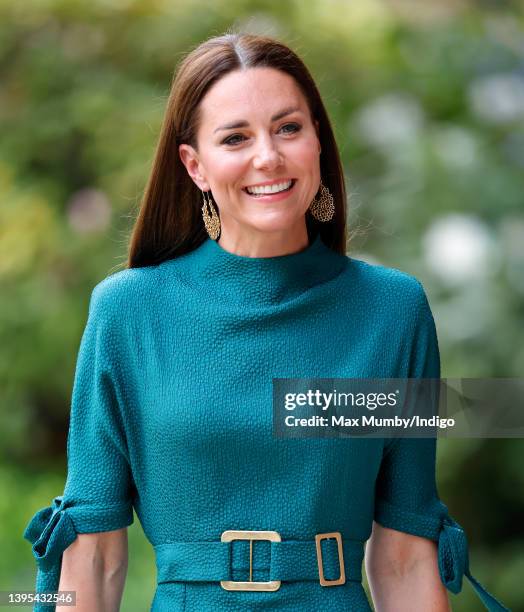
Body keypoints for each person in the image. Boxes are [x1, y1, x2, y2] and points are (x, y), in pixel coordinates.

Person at [23, 32, 509, 612]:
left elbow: (404, 558)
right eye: (235, 137)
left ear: (318, 144)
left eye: (288, 128)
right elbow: (94, 561)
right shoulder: (127, 313)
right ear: (195, 165)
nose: (268, 157)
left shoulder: (393, 312)